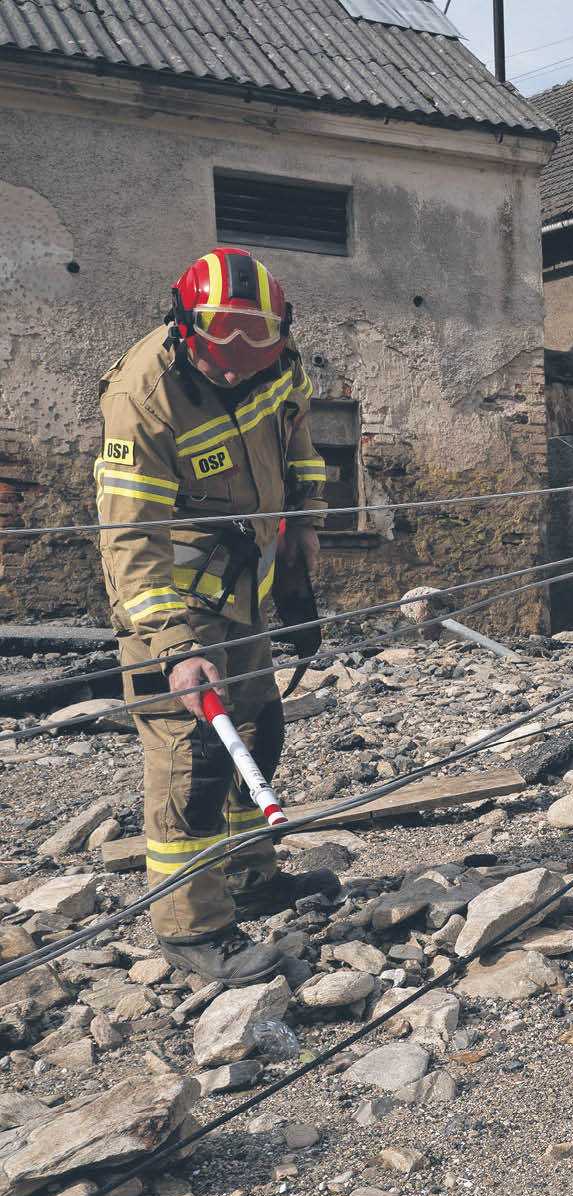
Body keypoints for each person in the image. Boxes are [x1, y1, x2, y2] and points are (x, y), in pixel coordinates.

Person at [97, 248, 340, 982]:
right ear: (184, 329)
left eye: (253, 352)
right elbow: (128, 534)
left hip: (247, 584)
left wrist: (302, 530)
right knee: (195, 757)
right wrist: (173, 645)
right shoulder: (144, 397)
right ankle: (191, 927)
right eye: (218, 354)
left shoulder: (279, 360)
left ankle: (250, 877)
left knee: (259, 727)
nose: (235, 369)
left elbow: (296, 441)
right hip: (168, 598)